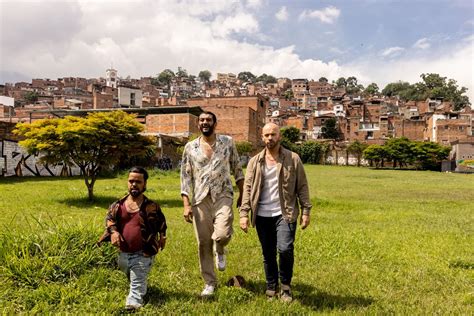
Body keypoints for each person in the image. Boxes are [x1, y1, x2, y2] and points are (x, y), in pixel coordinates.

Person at [239, 123, 312, 303]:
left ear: (279, 136)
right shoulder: (254, 162)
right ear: (262, 137)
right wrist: (243, 213)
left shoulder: (293, 159)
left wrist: (306, 211)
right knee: (268, 253)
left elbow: (302, 186)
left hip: (285, 212)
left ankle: (285, 286)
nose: (270, 138)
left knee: (285, 249)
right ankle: (271, 285)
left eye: (273, 134)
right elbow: (247, 188)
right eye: (266, 135)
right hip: (262, 214)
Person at [180, 111, 244, 297]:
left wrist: (242, 194)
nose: (205, 122)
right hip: (200, 198)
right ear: (198, 124)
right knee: (203, 242)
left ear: (215, 123)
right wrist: (186, 204)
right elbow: (185, 177)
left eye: (208, 120)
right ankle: (209, 282)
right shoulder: (190, 147)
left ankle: (220, 249)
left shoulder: (227, 142)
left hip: (223, 194)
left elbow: (237, 168)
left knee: (222, 234)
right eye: (201, 120)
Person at [98, 167, 167, 310]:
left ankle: (133, 303)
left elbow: (161, 223)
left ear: (145, 184)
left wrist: (162, 236)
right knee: (128, 272)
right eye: (131, 181)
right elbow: (110, 220)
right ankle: (136, 282)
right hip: (123, 253)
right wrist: (114, 232)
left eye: (138, 181)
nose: (134, 184)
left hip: (144, 252)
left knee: (137, 279)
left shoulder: (151, 206)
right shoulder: (118, 205)